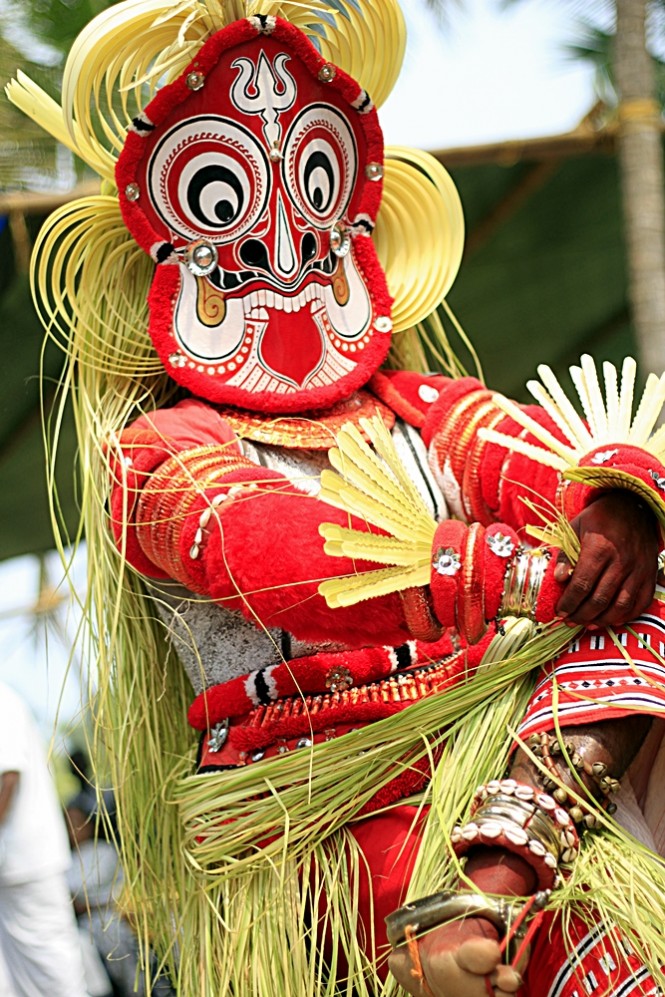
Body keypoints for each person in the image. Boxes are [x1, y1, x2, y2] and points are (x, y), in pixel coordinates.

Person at [7, 1, 665, 994]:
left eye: (311, 191)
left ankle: (499, 870)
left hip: (505, 767)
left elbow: (561, 461)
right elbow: (275, 552)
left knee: (641, 601)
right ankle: (479, 899)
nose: (281, 254)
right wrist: (514, 569)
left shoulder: (419, 407)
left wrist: (617, 514)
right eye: (232, 204)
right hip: (320, 796)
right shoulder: (159, 451)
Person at [0, 682, 89, 997]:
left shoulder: (2, 699)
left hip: (28, 860)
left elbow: (7, 777)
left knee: (53, 966)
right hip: (12, 866)